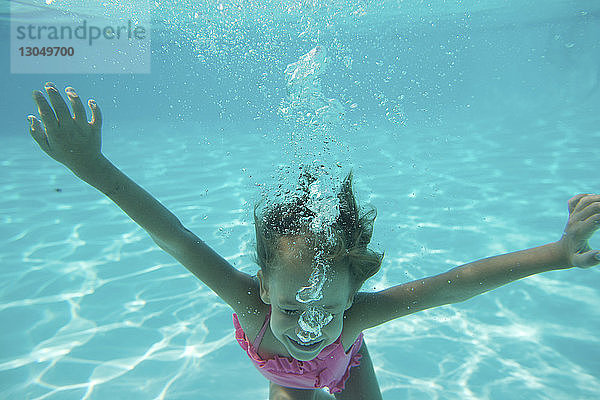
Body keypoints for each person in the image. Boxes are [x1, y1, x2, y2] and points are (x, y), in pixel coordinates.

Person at [28, 83, 600, 400]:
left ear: (352, 298)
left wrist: (557, 253)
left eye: (327, 309)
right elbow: (173, 237)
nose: (308, 325)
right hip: (285, 381)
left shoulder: (353, 323)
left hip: (345, 369)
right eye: (294, 305)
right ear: (263, 286)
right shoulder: (249, 302)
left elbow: (457, 285)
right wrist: (92, 167)